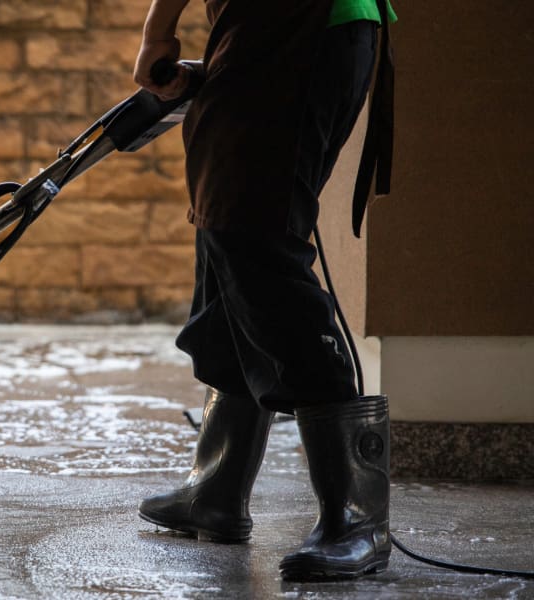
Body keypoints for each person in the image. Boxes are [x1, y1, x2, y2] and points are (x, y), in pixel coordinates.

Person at [132, 0, 395, 582]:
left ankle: (356, 517)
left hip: (302, 24)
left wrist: (158, 31)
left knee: (254, 236)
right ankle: (218, 488)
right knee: (222, 228)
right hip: (266, 27)